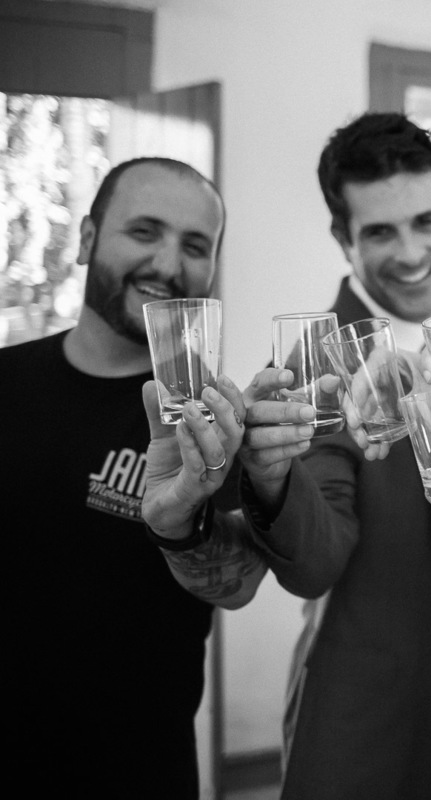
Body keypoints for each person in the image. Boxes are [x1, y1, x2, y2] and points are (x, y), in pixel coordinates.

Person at [236, 112, 431, 800]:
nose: (411, 252)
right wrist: (270, 476)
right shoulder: (320, 363)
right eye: (380, 232)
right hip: (365, 723)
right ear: (343, 238)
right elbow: (316, 561)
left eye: (425, 222)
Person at [4, 157, 270, 798]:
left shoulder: (216, 422)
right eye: (145, 232)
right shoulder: (6, 383)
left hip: (140, 772)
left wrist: (180, 523)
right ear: (88, 239)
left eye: (195, 246)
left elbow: (237, 586)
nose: (168, 264)